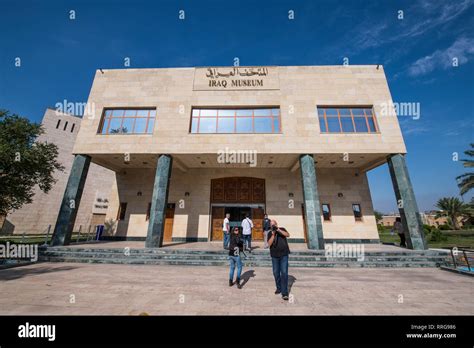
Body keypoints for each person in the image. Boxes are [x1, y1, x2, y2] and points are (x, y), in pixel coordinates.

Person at [267, 219, 290, 300]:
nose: (272, 226)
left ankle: (285, 293)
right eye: (271, 225)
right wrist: (273, 234)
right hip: (274, 256)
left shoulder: (282, 229)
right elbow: (269, 244)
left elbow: (287, 235)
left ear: (276, 224)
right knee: (276, 273)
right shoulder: (270, 233)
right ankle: (279, 288)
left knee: (284, 272)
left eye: (274, 224)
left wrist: (278, 229)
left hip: (284, 254)